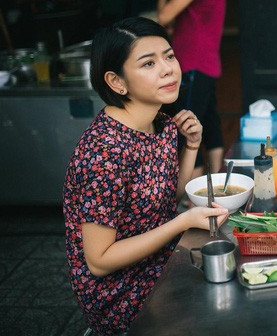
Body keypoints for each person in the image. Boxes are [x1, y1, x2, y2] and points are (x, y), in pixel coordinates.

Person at [62, 17, 228, 335]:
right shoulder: (105, 152)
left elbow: (167, 199)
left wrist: (192, 145)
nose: (168, 69)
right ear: (117, 82)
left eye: (169, 56)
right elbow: (99, 260)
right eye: (148, 63)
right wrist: (182, 222)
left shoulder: (162, 123)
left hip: (159, 261)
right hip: (120, 294)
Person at [157, 0, 226, 178]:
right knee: (209, 120)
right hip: (206, 63)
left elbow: (164, 16)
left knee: (186, 125)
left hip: (193, 64)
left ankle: (188, 190)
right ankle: (219, 180)